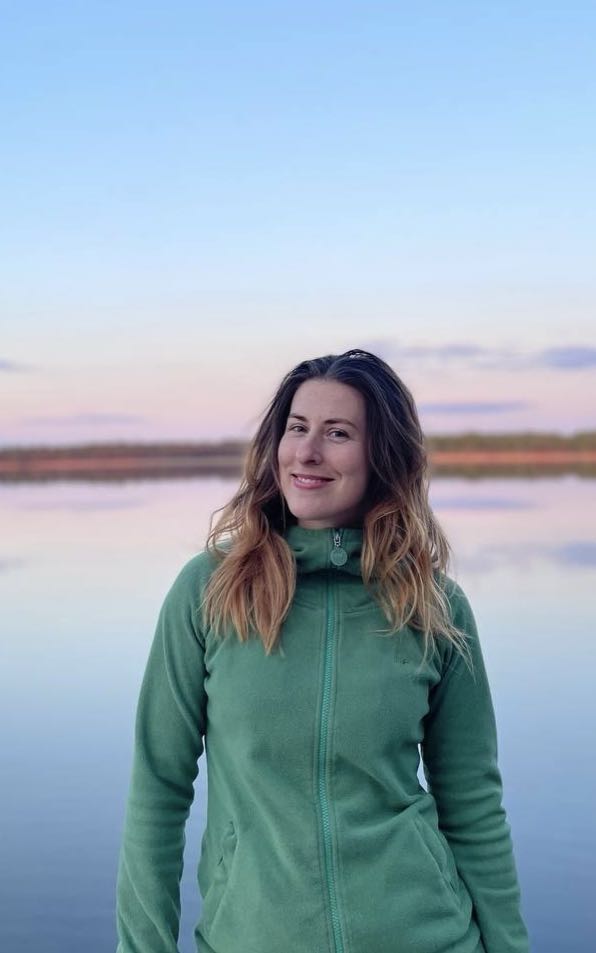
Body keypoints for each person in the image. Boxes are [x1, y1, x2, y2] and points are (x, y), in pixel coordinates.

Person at [115, 348, 530, 953]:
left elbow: (473, 805)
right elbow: (158, 789)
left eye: (338, 433)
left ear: (382, 457)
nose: (307, 452)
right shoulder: (210, 591)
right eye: (297, 428)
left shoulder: (434, 606)